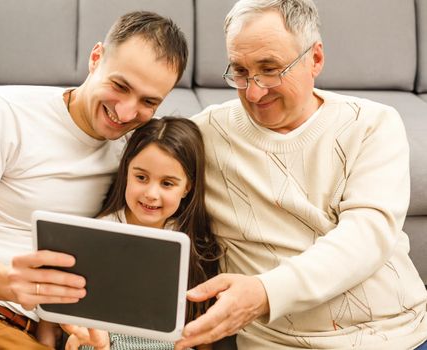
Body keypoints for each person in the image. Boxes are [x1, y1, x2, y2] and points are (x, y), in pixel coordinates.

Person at [0, 11, 188, 350]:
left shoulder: (136, 160)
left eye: (148, 102)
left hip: (26, 337)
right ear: (96, 59)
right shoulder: (5, 112)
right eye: (120, 86)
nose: (126, 113)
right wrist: (9, 283)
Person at [174, 1, 427, 349]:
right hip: (276, 343)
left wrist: (264, 293)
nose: (254, 91)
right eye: (240, 71)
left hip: (394, 336)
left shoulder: (372, 124)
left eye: (270, 69)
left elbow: (367, 235)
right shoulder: (205, 135)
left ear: (316, 59)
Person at [57, 117, 222, 350]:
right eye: (141, 178)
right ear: (126, 173)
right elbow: (78, 313)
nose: (151, 194)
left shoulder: (193, 242)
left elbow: (201, 327)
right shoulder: (101, 232)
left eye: (167, 184)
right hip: (106, 340)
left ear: (187, 187)